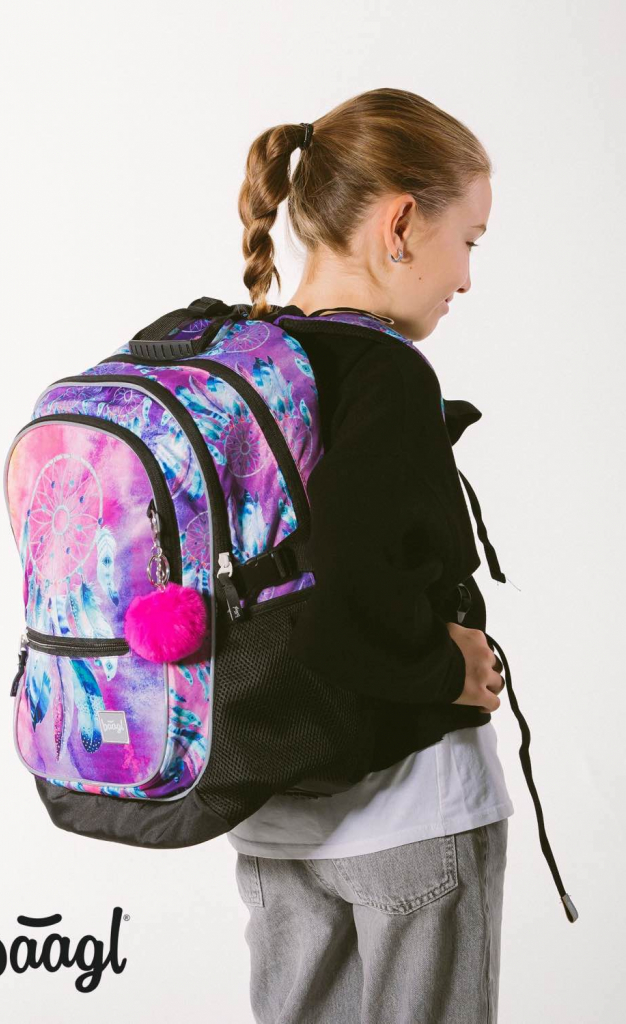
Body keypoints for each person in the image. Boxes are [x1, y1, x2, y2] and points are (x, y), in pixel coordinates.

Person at [229, 87, 510, 1024]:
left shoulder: (249, 362)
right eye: (466, 239)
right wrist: (448, 672)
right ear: (399, 224)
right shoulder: (385, 372)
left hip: (272, 817)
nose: (464, 277)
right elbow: (344, 591)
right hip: (409, 814)